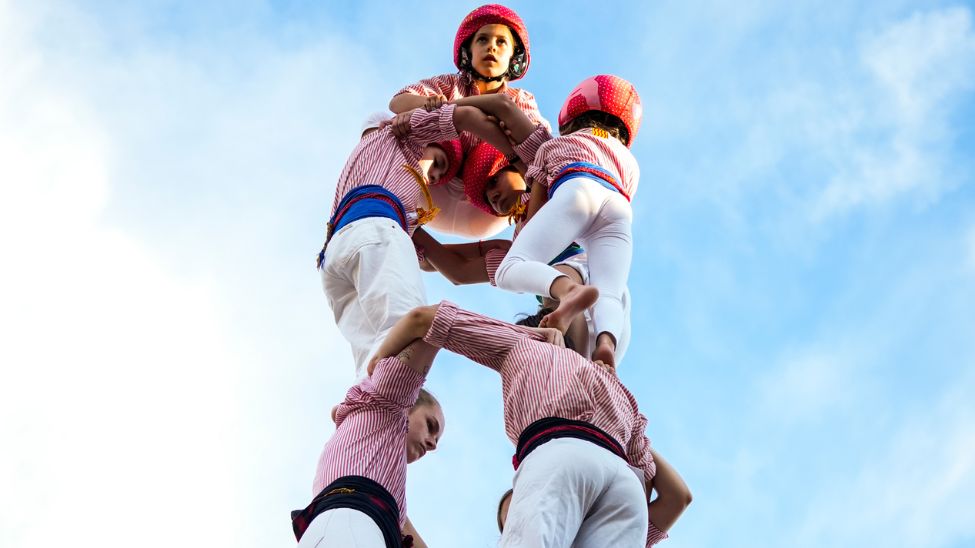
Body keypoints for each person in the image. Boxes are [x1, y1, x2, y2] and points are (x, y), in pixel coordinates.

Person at [373, 301, 690, 547]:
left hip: (561, 451)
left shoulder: (521, 344)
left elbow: (425, 319)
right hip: (625, 488)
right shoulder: (616, 388)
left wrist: (376, 370)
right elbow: (648, 476)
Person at [441, 75, 643, 370]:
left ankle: (568, 292)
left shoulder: (554, 147)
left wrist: (445, 108)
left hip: (577, 190)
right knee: (609, 291)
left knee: (510, 268)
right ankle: (605, 344)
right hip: (619, 210)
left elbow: (536, 210)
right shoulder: (629, 162)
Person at [319, 103, 519, 377]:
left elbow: (424, 259)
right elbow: (468, 117)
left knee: (371, 365)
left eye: (436, 177)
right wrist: (518, 156)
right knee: (407, 341)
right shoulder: (405, 134)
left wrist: (482, 248)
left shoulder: (391, 190)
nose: (433, 176)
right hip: (374, 231)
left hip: (334, 257)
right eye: (438, 163)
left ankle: (365, 417)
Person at [292, 329, 444, 547]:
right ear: (408, 403)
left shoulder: (390, 494)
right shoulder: (388, 404)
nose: (432, 444)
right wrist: (380, 356)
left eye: (437, 440)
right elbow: (424, 322)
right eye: (430, 425)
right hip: (350, 522)